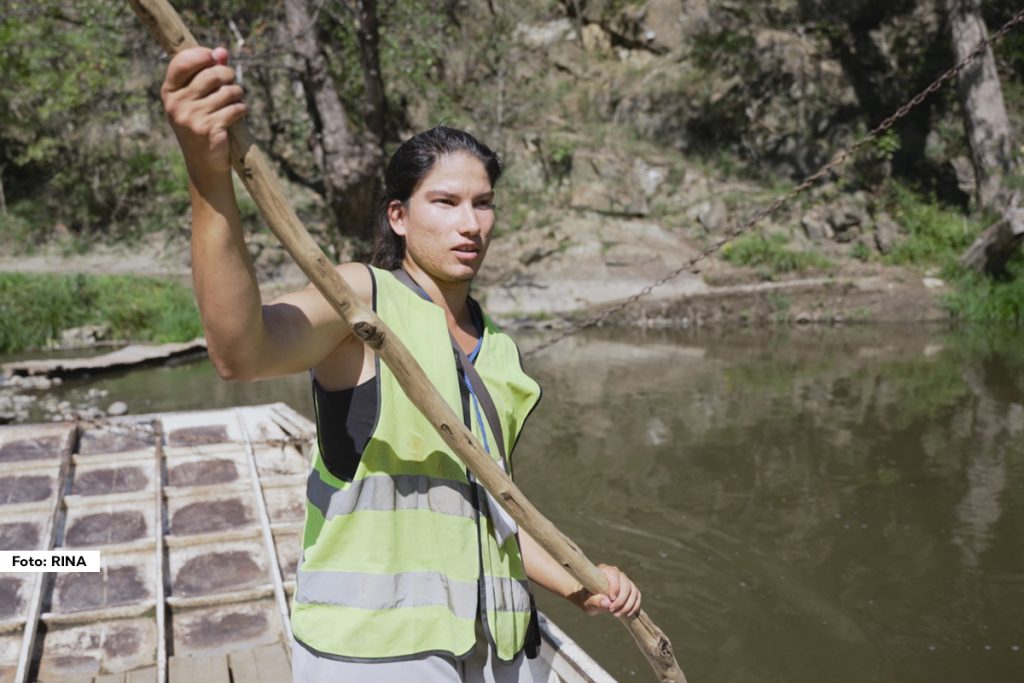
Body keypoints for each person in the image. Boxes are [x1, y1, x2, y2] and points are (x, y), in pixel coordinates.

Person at [161, 45, 641, 682]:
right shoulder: (363, 301)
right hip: (376, 654)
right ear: (400, 217)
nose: (470, 223)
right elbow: (241, 350)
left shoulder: (497, 349)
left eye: (483, 202)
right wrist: (207, 173)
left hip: (494, 649)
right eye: (445, 203)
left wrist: (581, 583)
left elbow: (492, 510)